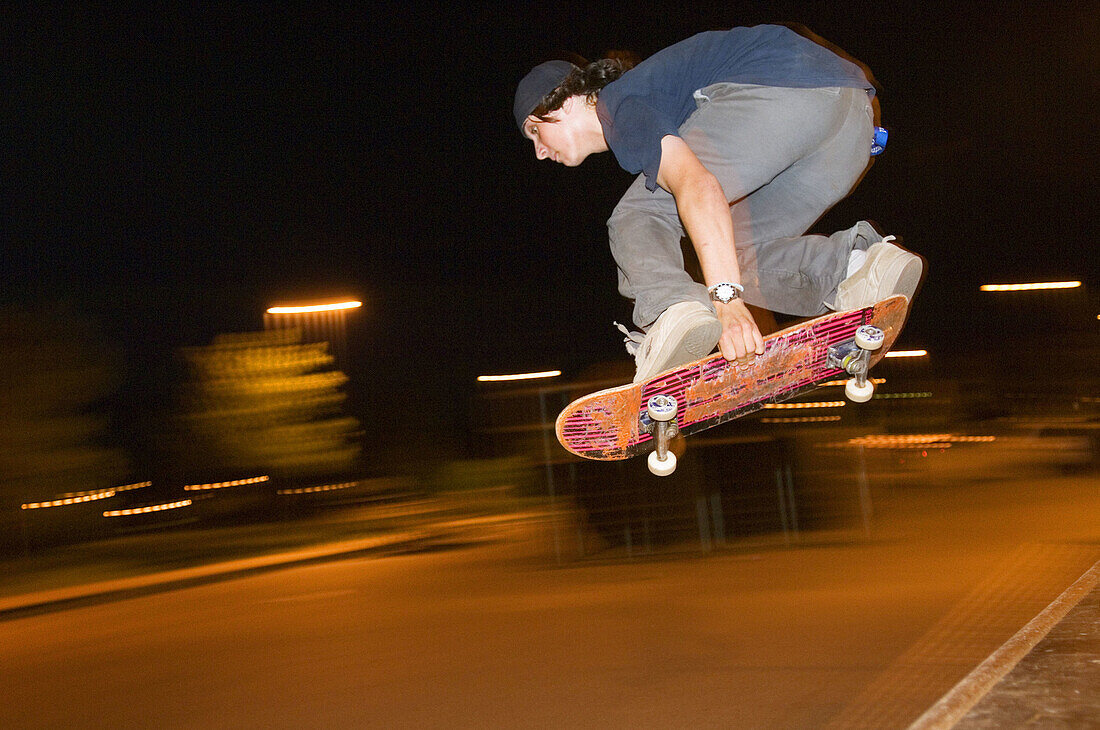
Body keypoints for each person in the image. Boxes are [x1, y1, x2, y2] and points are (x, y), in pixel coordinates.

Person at [514, 24, 924, 382]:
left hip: (783, 94)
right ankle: (855, 267)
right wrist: (728, 284)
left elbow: (698, 186)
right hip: (853, 124)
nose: (538, 151)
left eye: (536, 131)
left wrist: (726, 302)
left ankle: (674, 312)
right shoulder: (639, 104)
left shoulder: (619, 105)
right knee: (732, 251)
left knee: (636, 215)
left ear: (563, 99)